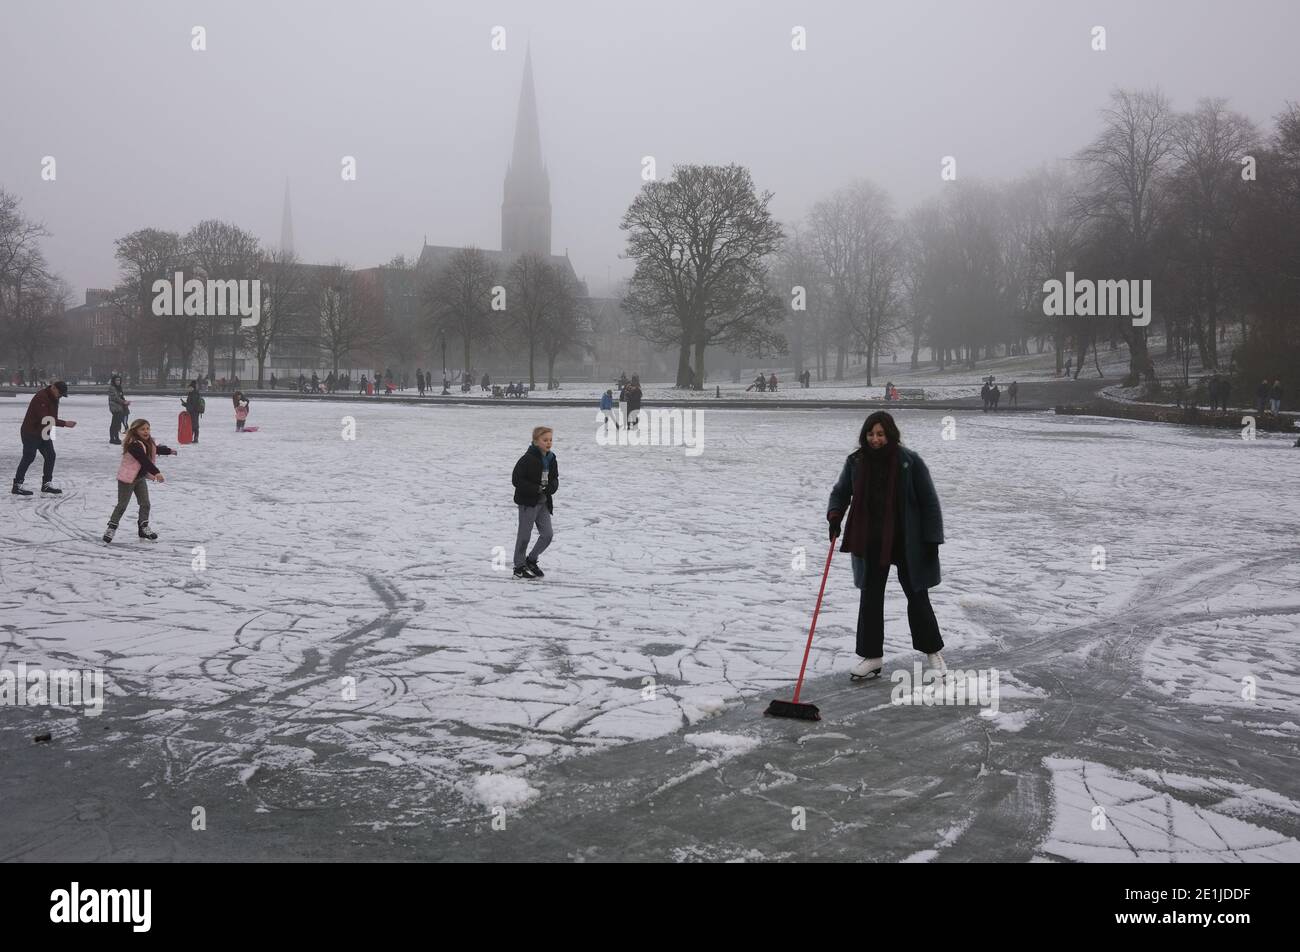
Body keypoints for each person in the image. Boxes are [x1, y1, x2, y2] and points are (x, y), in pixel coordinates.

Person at [826, 410, 946, 680]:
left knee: (917, 597)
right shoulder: (856, 462)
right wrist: (835, 515)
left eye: (880, 434)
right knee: (870, 597)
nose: (875, 439)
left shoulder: (909, 461)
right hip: (871, 540)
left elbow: (929, 501)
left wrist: (932, 538)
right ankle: (872, 657)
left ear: (890, 434)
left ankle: (933, 653)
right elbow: (840, 491)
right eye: (870, 434)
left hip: (906, 540)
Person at [103, 418, 176, 543]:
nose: (146, 431)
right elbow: (144, 460)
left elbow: (155, 449)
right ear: (135, 430)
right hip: (127, 479)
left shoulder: (148, 442)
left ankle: (143, 528)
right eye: (142, 429)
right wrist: (156, 472)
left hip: (140, 478)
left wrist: (169, 451)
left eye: (148, 428)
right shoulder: (133, 444)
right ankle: (111, 528)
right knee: (122, 505)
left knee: (145, 503)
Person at [12, 380, 77, 496]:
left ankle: (46, 484)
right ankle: (17, 485)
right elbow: (45, 418)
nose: (60, 396)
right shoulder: (41, 397)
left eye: (62, 395)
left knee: (51, 455)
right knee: (29, 456)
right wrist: (65, 423)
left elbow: (51, 418)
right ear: (53, 388)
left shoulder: (54, 398)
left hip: (44, 431)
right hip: (31, 432)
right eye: (60, 393)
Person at [511, 426, 558, 579]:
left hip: (543, 503)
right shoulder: (527, 459)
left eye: (550, 440)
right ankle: (519, 567)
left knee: (547, 535)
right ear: (536, 441)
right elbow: (516, 480)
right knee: (524, 536)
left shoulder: (551, 458)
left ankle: (531, 560)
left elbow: (555, 479)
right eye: (545, 440)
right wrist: (536, 488)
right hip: (528, 502)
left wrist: (551, 488)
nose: (548, 443)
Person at [108, 374, 129, 444]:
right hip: (115, 408)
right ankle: (112, 438)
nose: (118, 381)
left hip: (120, 408)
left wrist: (125, 402)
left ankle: (116, 437)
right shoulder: (112, 388)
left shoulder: (119, 388)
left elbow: (121, 397)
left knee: (118, 423)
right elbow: (115, 398)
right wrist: (124, 402)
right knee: (114, 423)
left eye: (119, 380)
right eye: (116, 380)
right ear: (113, 381)